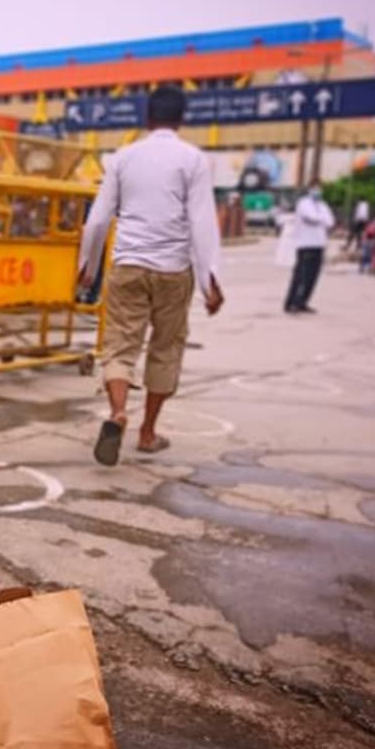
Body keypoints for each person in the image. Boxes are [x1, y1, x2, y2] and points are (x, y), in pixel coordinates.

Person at [79, 86, 224, 466]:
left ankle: (117, 413)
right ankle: (147, 433)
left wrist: (87, 268)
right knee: (165, 349)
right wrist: (210, 282)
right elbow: (202, 222)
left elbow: (98, 219)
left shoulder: (123, 158)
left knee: (120, 345)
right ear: (181, 119)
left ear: (147, 118)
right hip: (173, 269)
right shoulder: (193, 159)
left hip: (128, 264)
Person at [284, 183, 335, 314]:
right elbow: (311, 217)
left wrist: (321, 219)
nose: (318, 191)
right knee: (301, 276)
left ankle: (303, 302)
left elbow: (330, 221)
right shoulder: (303, 203)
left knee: (313, 277)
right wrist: (321, 219)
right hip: (305, 244)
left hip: (319, 244)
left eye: (319, 189)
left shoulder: (323, 205)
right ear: (309, 189)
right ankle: (292, 302)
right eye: (315, 188)